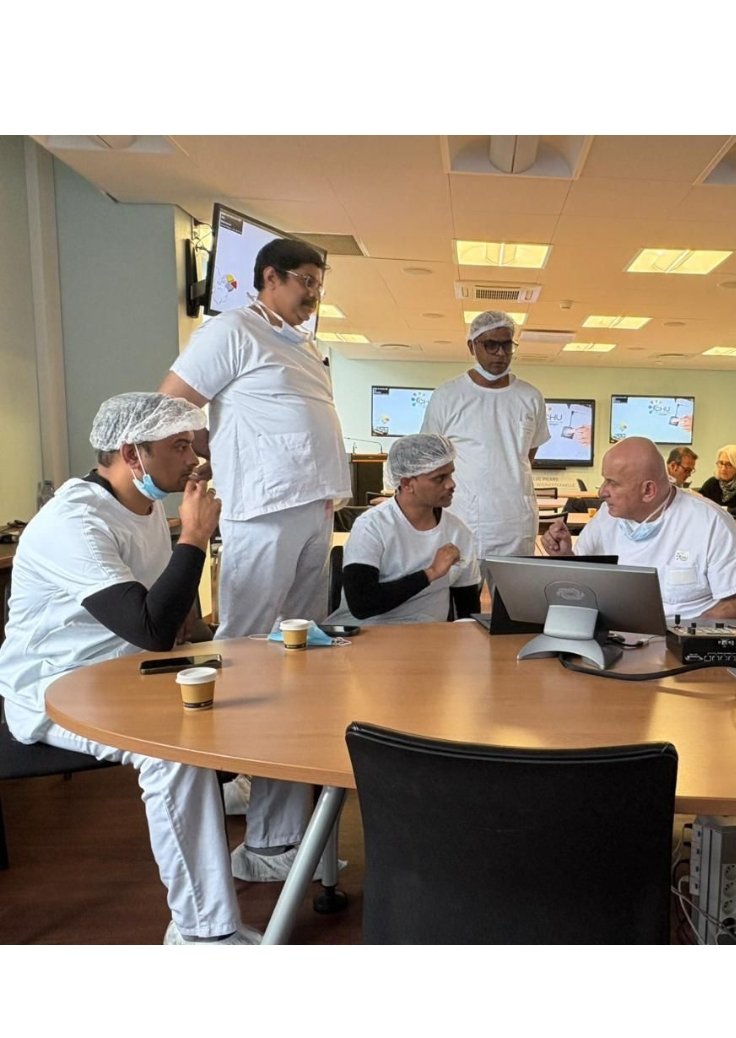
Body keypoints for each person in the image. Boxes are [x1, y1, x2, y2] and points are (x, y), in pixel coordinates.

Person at [0, 393, 290, 944]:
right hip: (56, 688)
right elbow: (152, 628)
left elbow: (168, 618)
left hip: (128, 672)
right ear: (132, 454)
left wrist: (221, 643)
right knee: (171, 754)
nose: (195, 459)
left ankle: (268, 840)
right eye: (179, 446)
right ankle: (201, 934)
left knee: (270, 682)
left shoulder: (147, 506)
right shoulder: (75, 522)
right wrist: (195, 536)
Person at [159, 238, 351, 640]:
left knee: (303, 626)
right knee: (250, 628)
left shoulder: (305, 345)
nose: (314, 294)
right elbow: (171, 403)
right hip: (266, 505)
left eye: (319, 285)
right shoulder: (233, 329)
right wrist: (210, 447)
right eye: (307, 281)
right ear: (271, 277)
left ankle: (297, 684)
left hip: (316, 501)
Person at [541, 437, 736, 619]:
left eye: (612, 482)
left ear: (648, 491)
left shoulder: (711, 523)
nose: (601, 492)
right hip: (614, 637)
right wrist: (565, 557)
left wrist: (677, 637)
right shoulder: (606, 517)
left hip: (679, 647)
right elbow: (581, 585)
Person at [420, 311, 547, 560]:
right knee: (461, 583)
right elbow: (431, 460)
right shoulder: (447, 396)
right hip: (463, 517)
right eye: (491, 345)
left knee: (513, 585)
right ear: (472, 346)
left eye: (506, 345)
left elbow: (527, 455)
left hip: (516, 520)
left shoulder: (530, 397)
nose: (500, 353)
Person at [332, 434, 481, 625]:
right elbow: (362, 604)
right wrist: (431, 573)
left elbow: (468, 610)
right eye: (439, 478)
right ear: (406, 483)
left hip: (431, 636)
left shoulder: (458, 532)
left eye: (450, 474)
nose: (451, 484)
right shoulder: (371, 526)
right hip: (369, 633)